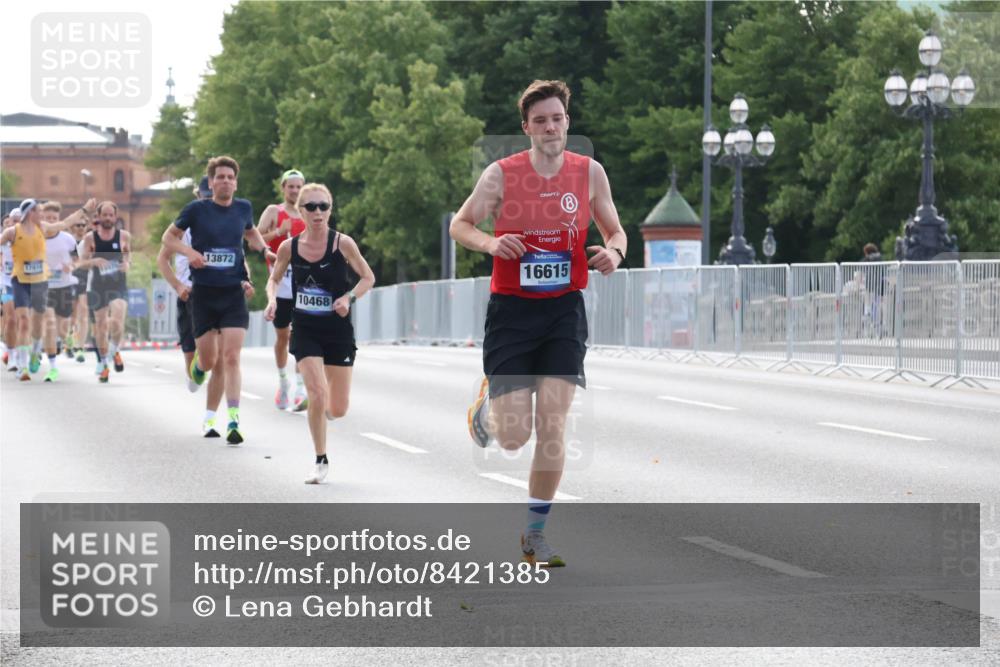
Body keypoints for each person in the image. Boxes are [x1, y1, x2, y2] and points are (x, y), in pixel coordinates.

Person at [449, 80, 626, 567]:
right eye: (541, 120)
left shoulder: (589, 173)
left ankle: (534, 533)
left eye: (558, 118)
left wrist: (613, 252)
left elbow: (615, 229)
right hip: (512, 313)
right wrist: (490, 244)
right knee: (513, 437)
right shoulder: (501, 175)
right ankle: (485, 410)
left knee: (553, 427)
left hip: (564, 311)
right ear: (526, 127)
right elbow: (460, 225)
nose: (551, 127)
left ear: (567, 122)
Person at [265, 183, 374, 484]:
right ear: (301, 211)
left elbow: (368, 277)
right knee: (317, 392)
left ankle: (322, 412)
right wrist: (272, 300)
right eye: (311, 207)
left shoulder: (343, 244)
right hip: (305, 328)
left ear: (330, 209)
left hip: (337, 329)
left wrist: (348, 298)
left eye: (323, 206)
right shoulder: (289, 247)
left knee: (337, 408)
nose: (317, 212)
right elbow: (273, 280)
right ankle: (320, 460)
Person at [162, 156, 270, 445]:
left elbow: (249, 234)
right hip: (204, 295)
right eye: (219, 177)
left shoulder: (243, 208)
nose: (225, 181)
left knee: (231, 357)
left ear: (235, 182)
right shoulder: (196, 210)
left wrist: (264, 249)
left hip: (233, 294)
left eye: (229, 177)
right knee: (209, 362)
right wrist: (189, 252)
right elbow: (167, 240)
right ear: (211, 183)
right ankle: (199, 368)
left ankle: (232, 419)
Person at [156, 176, 237, 438]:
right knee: (198, 364)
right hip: (190, 295)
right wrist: (179, 287)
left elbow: (238, 257)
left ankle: (211, 418)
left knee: (224, 358)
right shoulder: (184, 225)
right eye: (203, 197)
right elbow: (162, 260)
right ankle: (197, 369)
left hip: (221, 293)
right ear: (199, 196)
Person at [0, 198, 92, 381]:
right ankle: (23, 367)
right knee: (24, 321)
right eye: (37, 212)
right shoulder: (12, 232)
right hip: (20, 281)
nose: (40, 215)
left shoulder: (43, 228)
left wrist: (84, 210)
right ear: (28, 213)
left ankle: (35, 349)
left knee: (37, 325)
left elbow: (66, 223)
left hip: (40, 282)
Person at [257, 168, 308, 412]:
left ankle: (300, 387)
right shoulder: (273, 211)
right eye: (291, 187)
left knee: (301, 335)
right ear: (283, 188)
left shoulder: (309, 213)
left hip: (304, 284)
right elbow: (254, 238)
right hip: (279, 285)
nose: (295, 191)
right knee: (283, 337)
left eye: (299, 187)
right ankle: (283, 381)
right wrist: (278, 231)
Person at [78, 201, 131, 383]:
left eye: (111, 215)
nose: (108, 218)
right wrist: (94, 261)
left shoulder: (124, 236)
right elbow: (82, 262)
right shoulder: (90, 238)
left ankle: (114, 350)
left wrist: (127, 264)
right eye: (105, 215)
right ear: (98, 217)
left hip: (118, 285)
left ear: (115, 217)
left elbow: (127, 256)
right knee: (101, 326)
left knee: (117, 320)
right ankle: (103, 363)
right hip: (98, 286)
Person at [40, 201, 81, 382]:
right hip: (43, 287)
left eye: (54, 218)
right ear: (42, 219)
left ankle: (68, 338)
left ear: (59, 219)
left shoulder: (68, 239)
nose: (51, 221)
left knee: (62, 329)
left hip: (64, 286)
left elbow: (77, 260)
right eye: (47, 218)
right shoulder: (36, 237)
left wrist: (70, 266)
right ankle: (53, 367)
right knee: (49, 324)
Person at [66, 209, 92, 362]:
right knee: (72, 314)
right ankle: (69, 340)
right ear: (71, 227)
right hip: (69, 278)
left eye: (83, 225)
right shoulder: (68, 240)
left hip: (85, 277)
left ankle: (80, 348)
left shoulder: (90, 241)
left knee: (84, 313)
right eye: (78, 225)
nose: (81, 228)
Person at [1, 210, 19, 372]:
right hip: (7, 282)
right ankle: (12, 355)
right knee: (11, 318)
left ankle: (24, 350)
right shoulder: (4, 239)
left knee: (25, 320)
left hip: (27, 283)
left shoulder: (30, 236)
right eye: (12, 221)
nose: (13, 224)